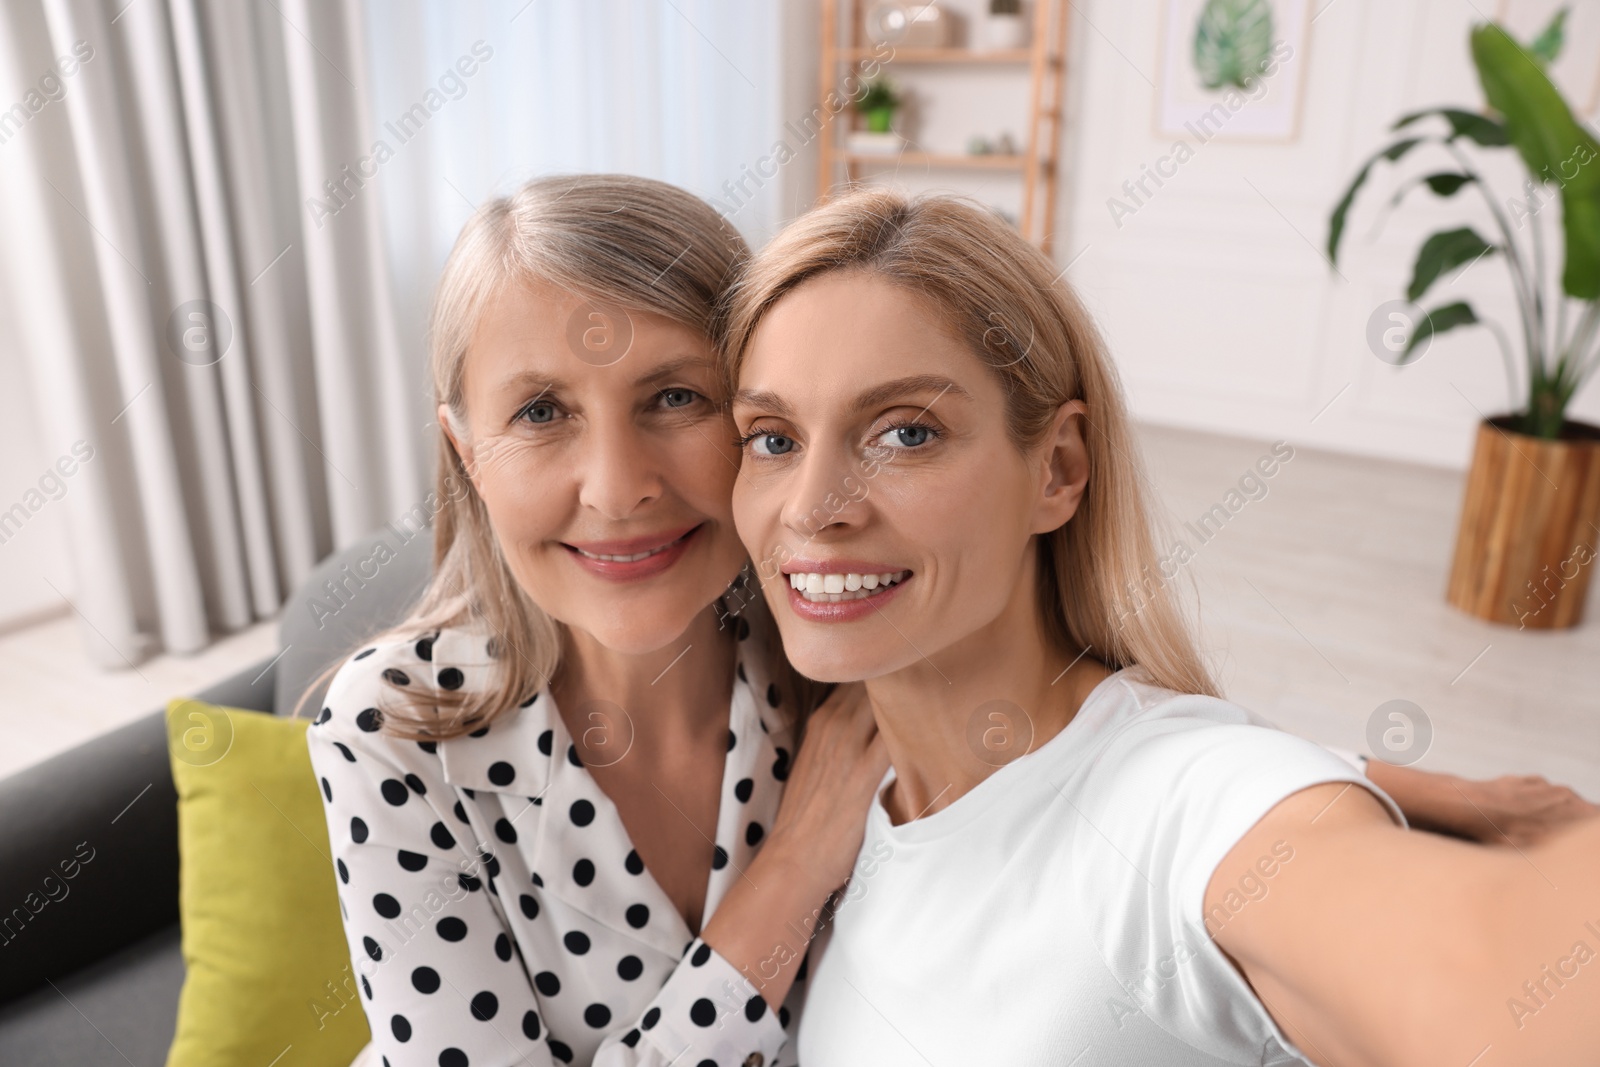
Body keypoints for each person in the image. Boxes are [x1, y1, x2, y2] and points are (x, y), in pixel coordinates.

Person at [717, 187, 1600, 1066]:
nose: (812, 506)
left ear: (1057, 470)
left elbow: (1502, 978)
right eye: (772, 438)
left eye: (905, 432)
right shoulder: (831, 780)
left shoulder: (1181, 804)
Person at [303, 173, 888, 1067]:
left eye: (676, 396)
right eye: (541, 412)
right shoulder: (392, 724)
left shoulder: (843, 662)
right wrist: (794, 869)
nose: (619, 488)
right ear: (468, 451)